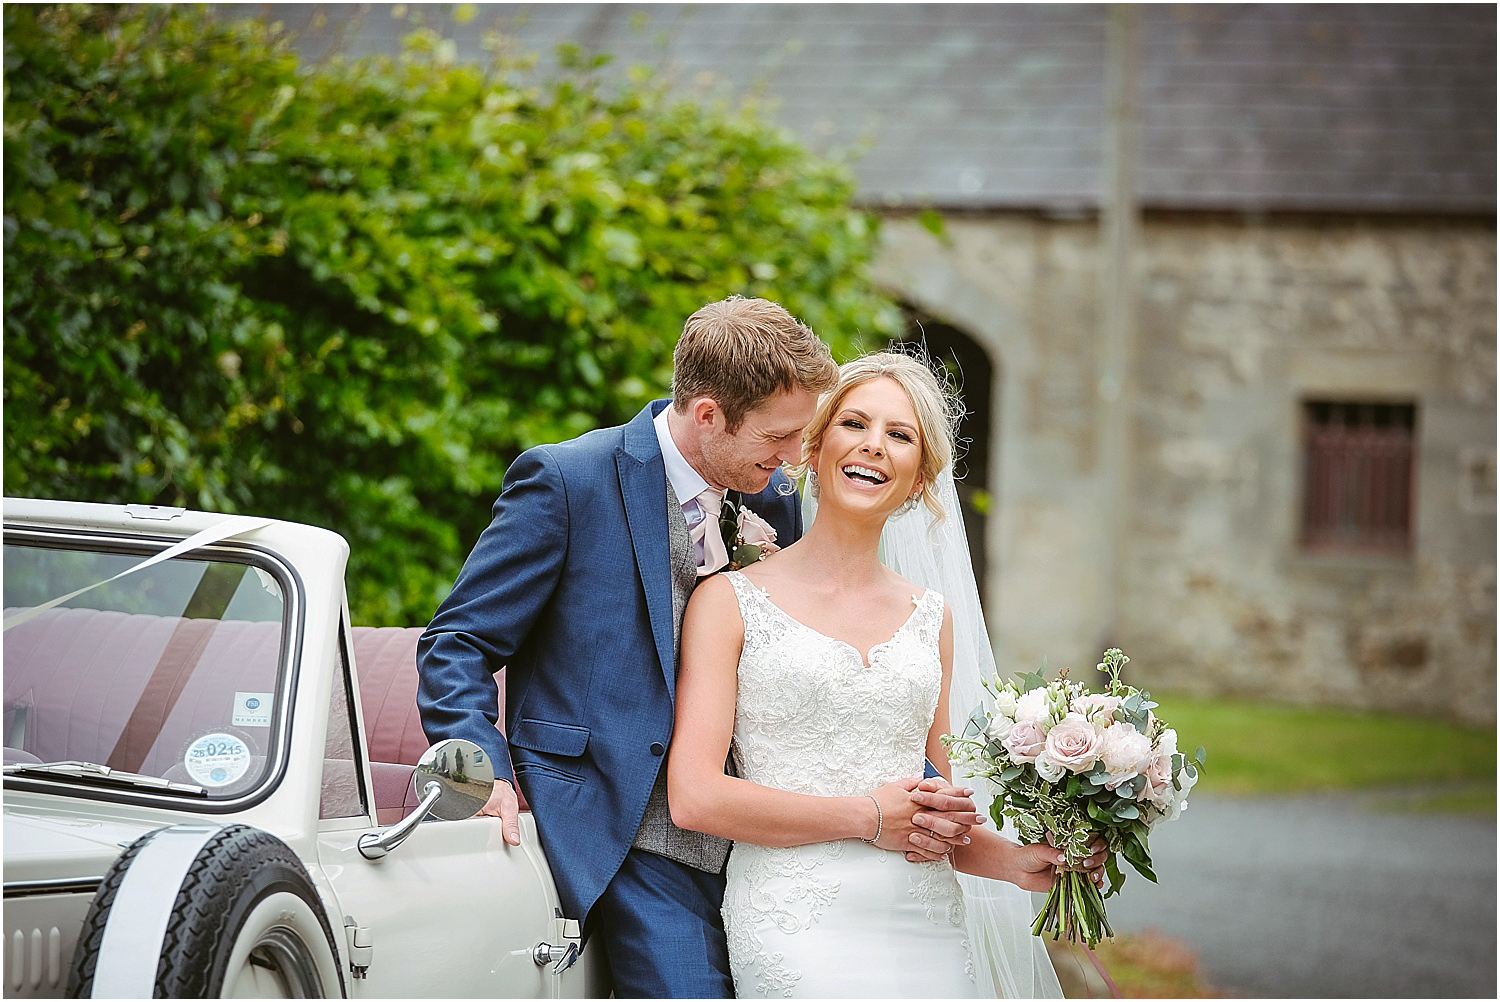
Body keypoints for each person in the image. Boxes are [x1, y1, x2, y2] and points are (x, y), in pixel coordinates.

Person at [416, 299, 984, 998]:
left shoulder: (765, 497)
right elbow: (458, 640)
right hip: (619, 826)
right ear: (710, 415)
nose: (791, 460)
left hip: (761, 845)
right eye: (778, 438)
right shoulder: (568, 482)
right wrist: (482, 776)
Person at [667, 351, 1104, 998]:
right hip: (794, 921)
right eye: (854, 424)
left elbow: (948, 821)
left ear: (921, 480)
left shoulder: (932, 618)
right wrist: (868, 815)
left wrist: (1020, 863)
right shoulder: (728, 602)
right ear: (811, 449)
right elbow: (696, 797)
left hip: (923, 922)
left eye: (899, 436)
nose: (874, 446)